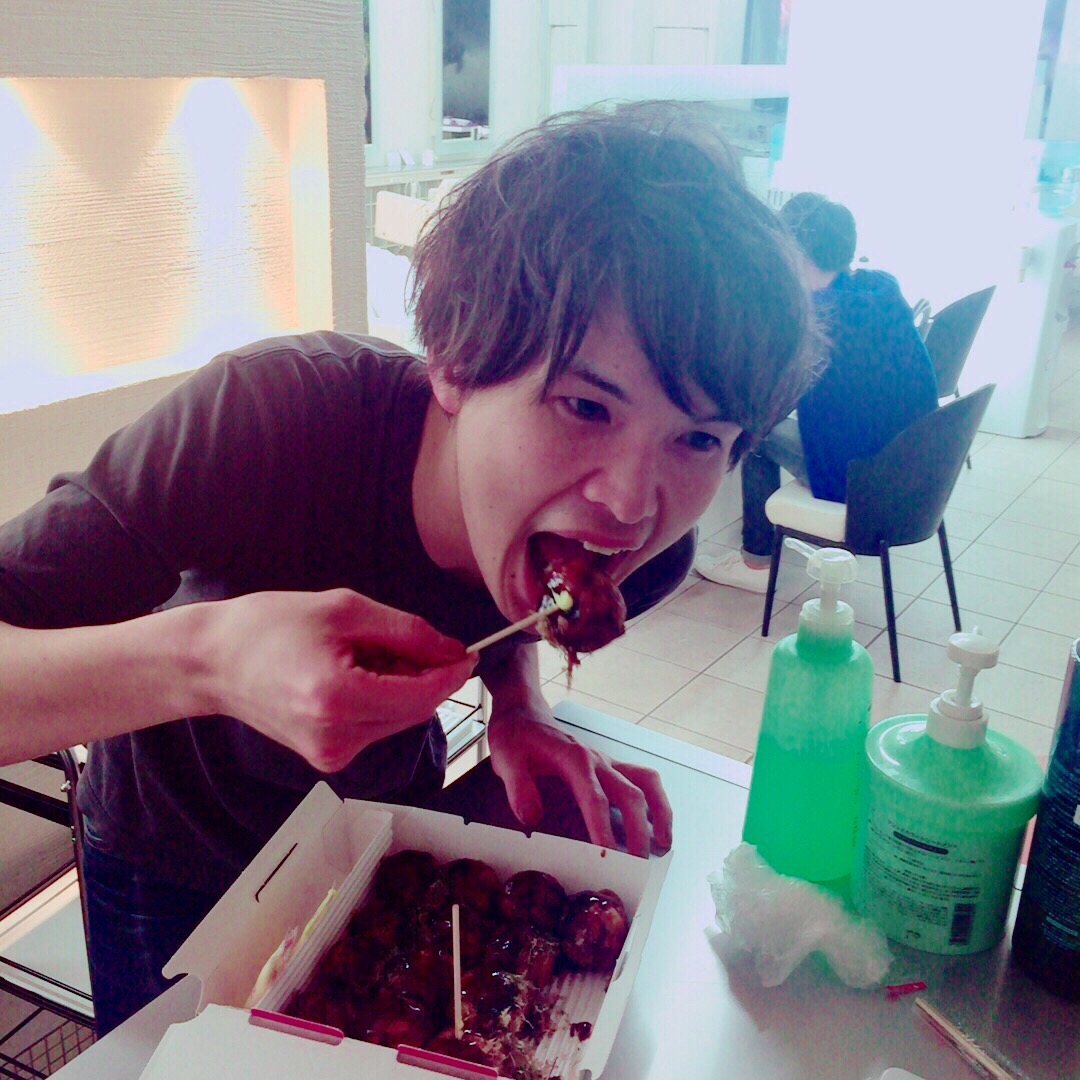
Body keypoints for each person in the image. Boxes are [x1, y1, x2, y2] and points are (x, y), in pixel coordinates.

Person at [0, 102, 815, 1033]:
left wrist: (519, 704)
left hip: (378, 824)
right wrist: (209, 660)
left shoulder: (643, 556)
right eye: (587, 407)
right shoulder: (270, 419)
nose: (633, 503)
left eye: (699, 438)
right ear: (457, 365)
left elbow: (498, 596)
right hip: (171, 859)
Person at [695, 191, 939, 592]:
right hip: (916, 470)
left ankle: (756, 561)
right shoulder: (881, 290)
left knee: (754, 432)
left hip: (864, 481)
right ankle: (772, 534)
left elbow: (765, 397)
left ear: (792, 250)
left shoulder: (817, 319)